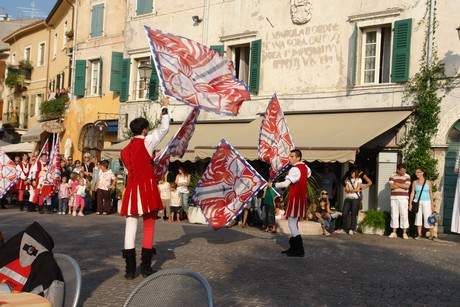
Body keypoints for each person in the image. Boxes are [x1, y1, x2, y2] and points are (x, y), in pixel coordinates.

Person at [120, 97, 169, 280]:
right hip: (146, 188)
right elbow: (164, 128)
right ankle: (146, 268)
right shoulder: (147, 141)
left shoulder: (124, 151)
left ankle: (129, 270)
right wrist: (165, 107)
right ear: (144, 129)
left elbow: (127, 171)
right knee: (149, 226)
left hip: (132, 190)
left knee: (130, 229)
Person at [269, 149, 311, 257]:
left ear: (298, 158)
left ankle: (299, 250)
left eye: (292, 156)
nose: (290, 158)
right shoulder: (305, 167)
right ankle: (293, 248)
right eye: (290, 156)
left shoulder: (295, 169)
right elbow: (308, 175)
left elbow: (286, 184)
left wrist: (273, 184)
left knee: (292, 224)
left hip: (295, 198)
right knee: (293, 223)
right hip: (301, 198)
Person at [409, 168, 434, 240]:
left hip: (427, 201)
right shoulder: (414, 182)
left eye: (418, 172)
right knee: (418, 217)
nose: (417, 174)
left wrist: (432, 204)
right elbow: (412, 193)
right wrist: (410, 203)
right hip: (417, 202)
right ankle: (419, 234)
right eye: (416, 172)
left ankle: (432, 235)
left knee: (428, 218)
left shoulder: (428, 182)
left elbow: (431, 193)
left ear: (422, 173)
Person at [388, 163, 411, 239]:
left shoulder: (407, 176)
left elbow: (407, 186)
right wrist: (402, 185)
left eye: (404, 171)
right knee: (394, 214)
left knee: (404, 214)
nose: (403, 172)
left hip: (404, 197)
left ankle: (404, 233)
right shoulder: (392, 175)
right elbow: (391, 186)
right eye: (402, 171)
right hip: (394, 197)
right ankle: (394, 232)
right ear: (398, 170)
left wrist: (396, 183)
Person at [341, 165, 362, 235]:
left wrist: (350, 190)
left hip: (355, 199)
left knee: (353, 214)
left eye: (353, 172)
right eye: (351, 172)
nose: (351, 173)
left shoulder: (359, 179)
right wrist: (351, 190)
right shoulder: (347, 180)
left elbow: (358, 189)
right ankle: (343, 228)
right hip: (347, 198)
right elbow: (345, 189)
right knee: (344, 213)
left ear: (356, 172)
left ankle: (352, 228)